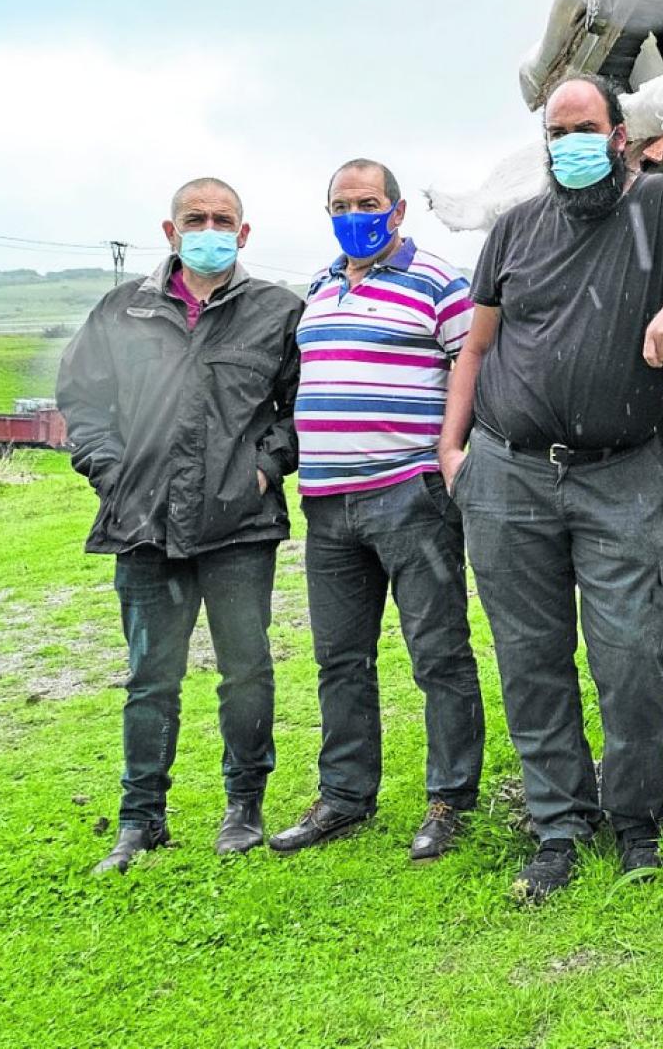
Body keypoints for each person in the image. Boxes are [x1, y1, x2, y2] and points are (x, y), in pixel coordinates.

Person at [437, 74, 663, 903]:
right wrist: (452, 450)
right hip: (508, 472)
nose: (569, 144)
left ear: (618, 134)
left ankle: (636, 820)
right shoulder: (512, 229)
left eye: (585, 128)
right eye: (556, 132)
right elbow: (475, 348)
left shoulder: (658, 205)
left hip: (618, 474)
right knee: (531, 657)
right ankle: (558, 825)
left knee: (629, 656)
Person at [57, 177, 302, 874]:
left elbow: (299, 405)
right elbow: (82, 399)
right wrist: (112, 474)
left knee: (247, 670)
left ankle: (243, 807)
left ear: (244, 233)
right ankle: (140, 820)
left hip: (239, 526)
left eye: (223, 219)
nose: (209, 228)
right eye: (195, 218)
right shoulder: (122, 311)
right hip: (143, 525)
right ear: (170, 232)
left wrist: (264, 467)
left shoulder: (277, 311)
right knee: (150, 678)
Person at [270, 159, 485, 862]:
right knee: (339, 659)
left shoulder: (439, 282)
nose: (353, 212)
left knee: (438, 653)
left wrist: (451, 452)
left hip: (409, 493)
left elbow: (476, 366)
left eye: (367, 202)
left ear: (396, 212)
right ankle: (345, 797)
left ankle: (451, 799)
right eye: (340, 202)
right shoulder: (321, 286)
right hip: (328, 503)